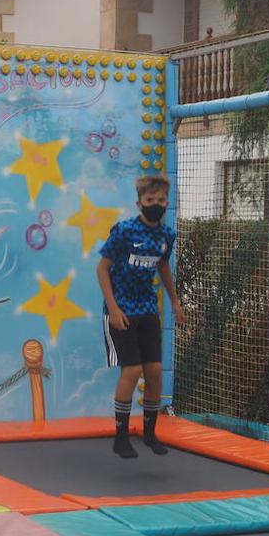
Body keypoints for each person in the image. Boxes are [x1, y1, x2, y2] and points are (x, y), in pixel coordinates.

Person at [97, 174, 185, 459]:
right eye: (150, 201)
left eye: (160, 201)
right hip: (122, 309)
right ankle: (121, 437)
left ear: (167, 203)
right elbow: (102, 269)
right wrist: (113, 308)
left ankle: (149, 433)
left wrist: (174, 301)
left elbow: (163, 267)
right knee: (132, 370)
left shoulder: (165, 236)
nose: (155, 205)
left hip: (147, 309)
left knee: (155, 371)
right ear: (139, 203)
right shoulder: (124, 231)